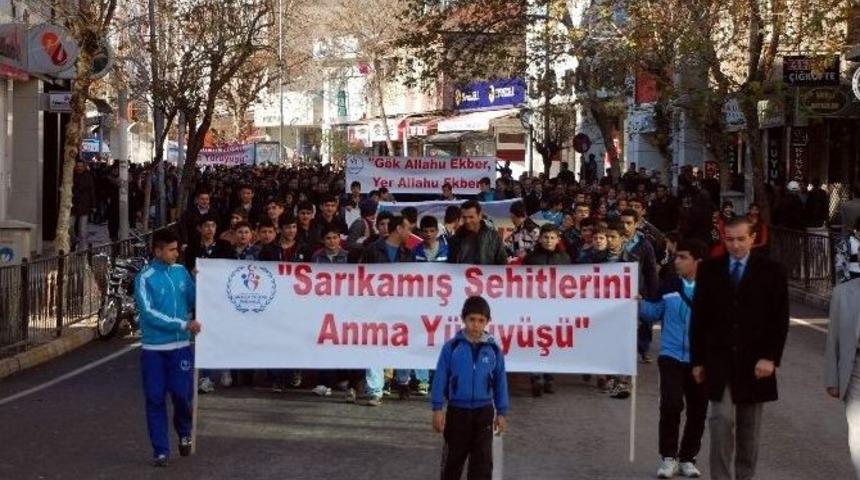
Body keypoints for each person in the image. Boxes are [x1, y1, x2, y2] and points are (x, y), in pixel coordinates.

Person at [690, 216, 790, 480]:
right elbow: (699, 319)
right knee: (720, 420)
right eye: (729, 239)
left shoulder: (772, 271)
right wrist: (697, 361)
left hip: (755, 361)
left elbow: (779, 319)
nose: (735, 245)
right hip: (719, 359)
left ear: (753, 238)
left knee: (749, 428)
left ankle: (745, 477)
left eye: (741, 239)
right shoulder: (710, 269)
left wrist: (770, 357)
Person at [640, 240, 708, 479]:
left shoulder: (713, 289)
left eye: (681, 257)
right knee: (670, 405)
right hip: (670, 356)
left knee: (698, 410)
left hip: (701, 360)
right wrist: (638, 303)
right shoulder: (668, 285)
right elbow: (653, 313)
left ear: (697, 261)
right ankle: (668, 457)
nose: (676, 261)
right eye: (675, 256)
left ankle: (688, 458)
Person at [133, 229, 201, 467]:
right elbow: (148, 314)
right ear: (158, 251)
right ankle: (160, 450)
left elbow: (196, 300)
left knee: (182, 395)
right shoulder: (144, 278)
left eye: (177, 249)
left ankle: (184, 430)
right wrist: (183, 323)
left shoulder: (181, 272)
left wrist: (203, 280)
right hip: (153, 351)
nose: (175, 253)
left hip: (181, 347)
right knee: (154, 398)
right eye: (171, 249)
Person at [432, 295, 509, 480]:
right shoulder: (452, 347)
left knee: (482, 463)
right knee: (453, 460)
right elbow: (440, 377)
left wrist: (502, 412)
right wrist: (437, 408)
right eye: (472, 319)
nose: (476, 325)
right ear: (463, 319)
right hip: (457, 412)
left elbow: (500, 380)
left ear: (488, 322)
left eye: (481, 320)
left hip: (484, 412)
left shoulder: (493, 350)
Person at [360, 215, 416, 405]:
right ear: (399, 229)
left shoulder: (408, 254)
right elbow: (362, 278)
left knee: (402, 345)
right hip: (376, 305)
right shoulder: (372, 251)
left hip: (402, 306)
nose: (410, 233)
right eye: (408, 229)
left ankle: (403, 381)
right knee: (374, 345)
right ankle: (375, 389)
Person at [523, 224, 570, 397]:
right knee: (536, 343)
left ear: (558, 239)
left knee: (552, 343)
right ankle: (536, 377)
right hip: (535, 306)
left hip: (556, 308)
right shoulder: (531, 259)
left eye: (552, 237)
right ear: (540, 239)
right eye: (546, 237)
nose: (549, 241)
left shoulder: (565, 259)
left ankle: (549, 377)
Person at [825, 277, 860, 478]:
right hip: (855, 370)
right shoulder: (842, 293)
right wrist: (832, 378)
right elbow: (833, 338)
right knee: (858, 432)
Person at [620, 209, 660, 363]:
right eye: (622, 222)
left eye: (629, 223)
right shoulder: (614, 240)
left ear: (636, 224)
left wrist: (652, 294)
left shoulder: (644, 244)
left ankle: (643, 349)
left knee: (645, 322)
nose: (625, 226)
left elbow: (650, 271)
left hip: (639, 291)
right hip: (618, 291)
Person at [448, 200, 507, 265]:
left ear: (480, 216)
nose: (467, 221)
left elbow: (502, 264)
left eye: (471, 217)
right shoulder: (455, 239)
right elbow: (451, 266)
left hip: (487, 275)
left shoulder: (494, 238)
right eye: (464, 217)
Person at [71, 160, 97, 250]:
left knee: (82, 230)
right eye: (78, 166)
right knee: (70, 227)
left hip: (84, 206)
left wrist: (93, 205)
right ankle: (73, 241)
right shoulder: (71, 175)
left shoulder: (88, 176)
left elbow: (92, 191)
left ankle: (82, 249)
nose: (79, 168)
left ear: (84, 167)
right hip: (72, 205)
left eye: (81, 166)